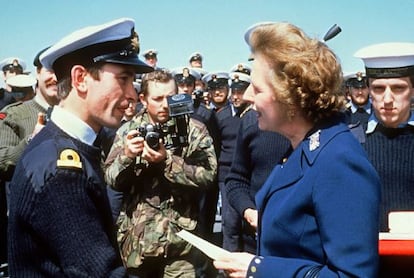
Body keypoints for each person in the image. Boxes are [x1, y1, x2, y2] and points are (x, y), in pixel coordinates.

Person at [213, 21, 381, 277]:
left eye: (257, 89)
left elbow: (351, 275)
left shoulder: (339, 161)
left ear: (290, 96)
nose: (247, 96)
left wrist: (259, 269)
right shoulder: (302, 149)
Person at [7, 17, 153, 277]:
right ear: (81, 78)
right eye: (123, 79)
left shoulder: (63, 146)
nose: (132, 95)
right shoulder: (62, 169)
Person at [104, 69, 217, 277]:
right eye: (157, 98)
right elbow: (111, 179)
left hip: (180, 245)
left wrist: (167, 161)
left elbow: (208, 176)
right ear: (143, 99)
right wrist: (127, 156)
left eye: (170, 97)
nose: (165, 105)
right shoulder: (128, 131)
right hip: (137, 244)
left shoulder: (194, 130)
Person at [0, 47, 59, 269]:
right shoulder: (15, 114)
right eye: (48, 70)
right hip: (30, 224)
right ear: (37, 73)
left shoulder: (77, 112)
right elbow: (1, 161)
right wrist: (30, 142)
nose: (54, 77)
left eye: (59, 70)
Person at [355, 42, 414, 232]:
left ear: (413, 90)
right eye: (379, 89)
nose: (387, 99)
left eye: (398, 88)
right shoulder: (350, 140)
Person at [224, 109, 290, 253]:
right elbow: (236, 180)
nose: (248, 96)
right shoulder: (251, 123)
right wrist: (248, 211)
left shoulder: (324, 132)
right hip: (255, 245)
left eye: (259, 90)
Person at [215, 66, 251, 252]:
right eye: (234, 92)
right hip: (227, 176)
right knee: (230, 224)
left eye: (240, 92)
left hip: (250, 176)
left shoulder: (256, 117)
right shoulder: (221, 117)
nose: (236, 97)